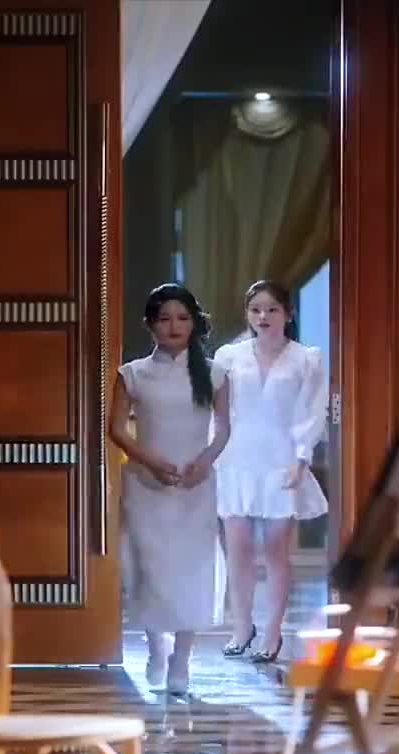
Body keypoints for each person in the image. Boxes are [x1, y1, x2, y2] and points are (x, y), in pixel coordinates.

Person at [109, 284, 230, 695]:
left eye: (182, 318)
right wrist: (149, 461)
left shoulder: (214, 373)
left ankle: (182, 658)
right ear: (150, 324)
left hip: (196, 485)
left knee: (192, 570)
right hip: (147, 484)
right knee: (150, 570)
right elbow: (116, 429)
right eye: (164, 319)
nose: (174, 326)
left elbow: (224, 429)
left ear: (194, 322)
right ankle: (155, 647)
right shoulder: (132, 373)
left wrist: (205, 461)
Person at [212, 280, 328, 663]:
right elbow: (217, 412)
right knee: (238, 550)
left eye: (272, 309)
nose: (263, 316)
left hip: (281, 460)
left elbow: (312, 412)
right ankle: (241, 627)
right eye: (255, 310)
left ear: (287, 314)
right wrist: (210, 453)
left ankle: (273, 632)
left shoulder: (306, 359)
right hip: (236, 458)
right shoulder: (228, 356)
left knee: (276, 551)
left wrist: (301, 458)